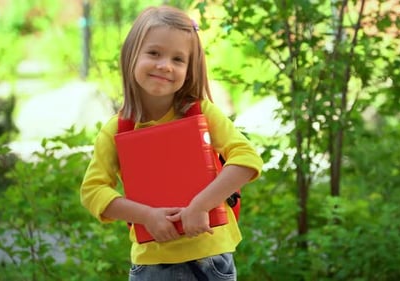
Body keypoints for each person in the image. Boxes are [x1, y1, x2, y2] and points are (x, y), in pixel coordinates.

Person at [80, 5, 263, 281]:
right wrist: (147, 216)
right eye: (154, 53)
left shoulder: (203, 113)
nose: (165, 65)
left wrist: (201, 205)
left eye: (178, 59)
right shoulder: (116, 131)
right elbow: (93, 192)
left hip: (209, 260)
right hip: (151, 265)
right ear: (131, 55)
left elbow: (247, 160)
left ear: (189, 70)